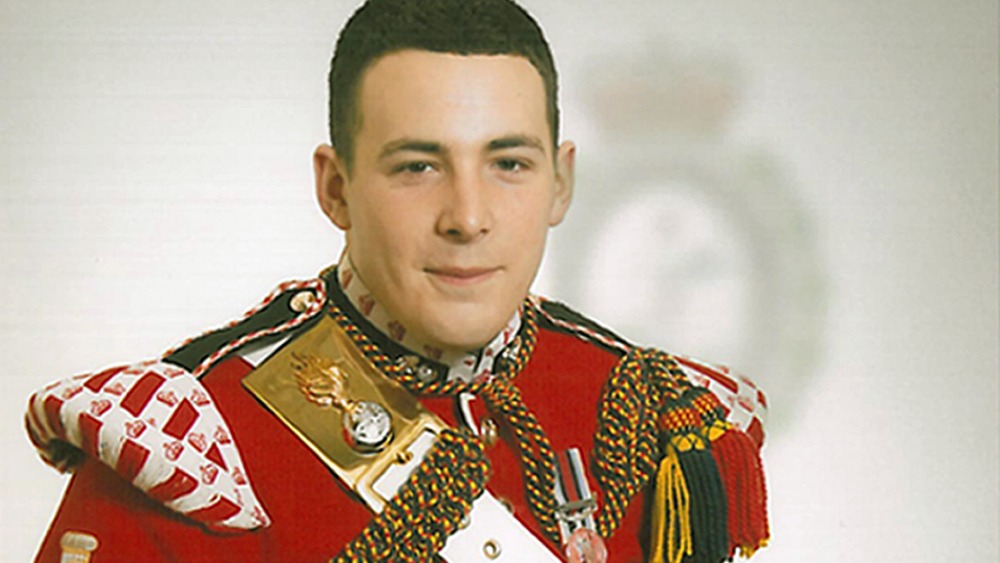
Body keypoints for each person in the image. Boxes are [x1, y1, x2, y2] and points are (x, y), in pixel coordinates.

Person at [25, 0, 769, 561]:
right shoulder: (196, 451)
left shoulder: (644, 408)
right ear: (336, 189)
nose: (468, 217)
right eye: (418, 166)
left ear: (561, 182)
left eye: (509, 163)